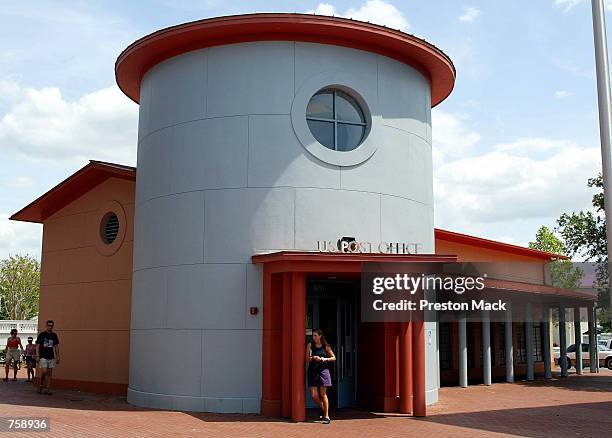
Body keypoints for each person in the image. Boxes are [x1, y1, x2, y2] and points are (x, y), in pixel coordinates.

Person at [305, 329, 336, 424]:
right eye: (313, 336)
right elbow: (307, 358)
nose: (313, 338)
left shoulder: (326, 346)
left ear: (320, 336)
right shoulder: (310, 345)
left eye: (315, 335)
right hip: (313, 371)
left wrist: (324, 359)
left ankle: (326, 416)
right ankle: (322, 407)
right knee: (314, 395)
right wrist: (313, 358)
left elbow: (334, 358)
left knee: (323, 394)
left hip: (323, 371)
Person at [35, 320, 60, 395]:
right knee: (44, 372)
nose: (50, 327)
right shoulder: (42, 334)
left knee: (49, 373)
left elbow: (56, 346)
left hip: (51, 356)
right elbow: (38, 345)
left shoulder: (54, 335)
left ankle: (48, 389)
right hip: (43, 356)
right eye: (49, 325)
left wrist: (58, 356)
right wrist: (37, 355)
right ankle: (41, 385)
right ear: (46, 325)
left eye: (51, 325)